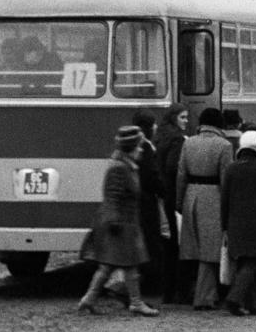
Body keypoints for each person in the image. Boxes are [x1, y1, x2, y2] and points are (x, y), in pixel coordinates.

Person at [77, 126, 160, 317]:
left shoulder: (124, 165)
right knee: (127, 265)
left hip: (123, 223)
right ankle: (136, 303)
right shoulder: (120, 168)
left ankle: (88, 300)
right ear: (130, 147)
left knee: (109, 266)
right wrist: (115, 222)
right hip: (120, 224)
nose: (141, 150)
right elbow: (112, 197)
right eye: (139, 146)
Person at [175, 107, 234, 310]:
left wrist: (180, 200)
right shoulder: (224, 145)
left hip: (191, 194)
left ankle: (192, 291)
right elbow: (226, 178)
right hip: (213, 196)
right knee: (210, 250)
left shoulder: (188, 142)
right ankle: (204, 297)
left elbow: (181, 174)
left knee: (194, 248)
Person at [220, 130, 256, 315]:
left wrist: (225, 224)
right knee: (254, 260)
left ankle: (253, 304)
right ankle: (234, 299)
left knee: (245, 260)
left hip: (235, 221)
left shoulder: (231, 168)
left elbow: (224, 199)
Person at [130, 110, 170, 300]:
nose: (155, 127)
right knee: (152, 242)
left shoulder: (132, 146)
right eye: (153, 124)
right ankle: (150, 286)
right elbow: (151, 176)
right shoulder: (146, 147)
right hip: (147, 202)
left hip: (137, 201)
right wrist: (164, 190)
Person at [154, 104, 190, 303]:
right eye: (183, 117)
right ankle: (175, 291)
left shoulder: (160, 135)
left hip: (160, 195)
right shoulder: (177, 139)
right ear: (175, 118)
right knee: (175, 245)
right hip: (171, 195)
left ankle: (166, 291)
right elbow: (173, 167)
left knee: (166, 245)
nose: (186, 121)